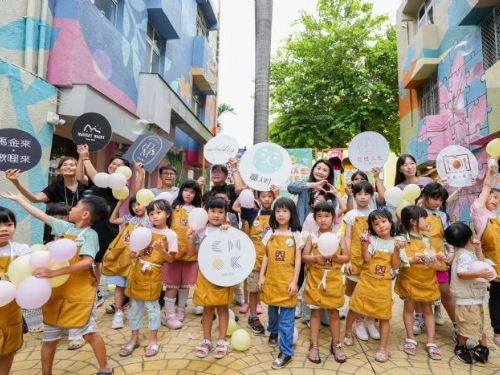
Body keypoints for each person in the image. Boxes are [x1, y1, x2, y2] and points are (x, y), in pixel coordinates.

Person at [1, 192, 113, 375]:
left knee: (89, 332)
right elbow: (41, 215)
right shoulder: (65, 228)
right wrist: (20, 200)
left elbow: (86, 262)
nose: (72, 208)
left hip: (79, 294)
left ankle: (105, 368)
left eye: (76, 206)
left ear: (85, 214)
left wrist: (54, 272)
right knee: (50, 338)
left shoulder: (90, 235)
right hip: (56, 292)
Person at [77, 144, 137, 307]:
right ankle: (95, 293)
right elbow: (82, 178)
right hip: (89, 224)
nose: (114, 166)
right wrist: (81, 159)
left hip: (104, 228)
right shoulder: (99, 182)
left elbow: (95, 175)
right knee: (89, 261)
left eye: (119, 166)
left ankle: (102, 294)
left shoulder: (118, 184)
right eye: (113, 163)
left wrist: (86, 157)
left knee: (98, 262)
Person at [345, 210, 406, 362]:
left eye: (383, 221)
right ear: (372, 228)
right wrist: (364, 245)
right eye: (376, 224)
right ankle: (347, 332)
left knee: (384, 316)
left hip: (383, 286)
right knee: (355, 308)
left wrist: (397, 250)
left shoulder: (397, 242)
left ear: (391, 222)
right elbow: (367, 259)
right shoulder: (372, 240)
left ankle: (383, 348)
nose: (381, 226)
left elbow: (396, 265)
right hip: (366, 282)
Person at [119, 199, 177, 358]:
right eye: (151, 213)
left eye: (158, 212)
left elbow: (171, 259)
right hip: (138, 272)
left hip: (153, 274)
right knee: (135, 307)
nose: (154, 216)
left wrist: (161, 250)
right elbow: (137, 249)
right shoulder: (144, 230)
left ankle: (153, 340)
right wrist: (133, 254)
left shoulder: (170, 235)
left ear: (168, 214)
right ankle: (134, 339)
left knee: (153, 309)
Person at [395, 205, 446, 360]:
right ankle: (410, 338)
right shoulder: (401, 239)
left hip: (427, 279)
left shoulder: (426, 239)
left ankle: (431, 342)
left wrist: (438, 257)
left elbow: (431, 257)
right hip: (410, 279)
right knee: (409, 308)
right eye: (424, 218)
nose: (427, 220)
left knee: (428, 310)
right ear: (413, 221)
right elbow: (399, 260)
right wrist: (412, 258)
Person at [259, 197, 303, 369]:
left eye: (285, 211)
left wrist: (294, 281)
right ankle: (273, 331)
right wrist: (262, 275)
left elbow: (299, 261)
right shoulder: (271, 233)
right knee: (271, 310)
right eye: (278, 211)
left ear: (292, 213)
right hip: (271, 281)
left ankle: (285, 351)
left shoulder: (296, 235)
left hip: (287, 283)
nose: (281, 214)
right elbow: (266, 256)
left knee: (286, 319)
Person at [302, 201, 349, 364]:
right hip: (316, 279)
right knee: (315, 313)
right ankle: (313, 345)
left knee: (334, 313)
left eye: (327, 216)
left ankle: (336, 344)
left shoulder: (338, 236)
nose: (323, 220)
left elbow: (346, 257)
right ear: (315, 218)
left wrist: (336, 257)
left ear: (333, 218)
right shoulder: (312, 236)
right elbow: (305, 256)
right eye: (319, 216)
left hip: (334, 279)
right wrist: (314, 258)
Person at [187, 197, 232, 359]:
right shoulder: (201, 231)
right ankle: (206, 339)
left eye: (220, 212)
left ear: (226, 214)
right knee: (207, 308)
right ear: (207, 213)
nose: (216, 215)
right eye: (213, 211)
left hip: (223, 276)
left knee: (222, 307)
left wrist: (229, 232)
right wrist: (190, 237)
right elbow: (192, 253)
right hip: (205, 275)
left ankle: (222, 340)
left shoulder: (229, 230)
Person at [445, 223, 492, 364]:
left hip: (474, 297)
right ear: (470, 238)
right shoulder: (463, 255)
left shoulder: (467, 252)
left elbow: (480, 261)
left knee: (478, 322)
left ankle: (481, 345)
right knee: (466, 325)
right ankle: (461, 346)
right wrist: (477, 273)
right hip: (466, 299)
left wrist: (478, 249)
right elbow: (461, 273)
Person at [104, 195, 149, 330]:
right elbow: (112, 220)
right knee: (119, 286)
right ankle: (118, 312)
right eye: (134, 205)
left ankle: (131, 310)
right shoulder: (128, 219)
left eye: (139, 204)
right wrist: (119, 203)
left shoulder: (150, 221)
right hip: (122, 258)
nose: (136, 207)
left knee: (132, 286)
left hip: (138, 260)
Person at [161, 180, 202, 329]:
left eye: (192, 192)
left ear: (196, 195)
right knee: (172, 285)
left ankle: (181, 310)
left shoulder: (198, 210)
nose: (188, 194)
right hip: (173, 252)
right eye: (186, 190)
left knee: (185, 285)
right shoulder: (172, 208)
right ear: (181, 191)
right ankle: (169, 314)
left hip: (191, 253)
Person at [418, 183, 456, 336]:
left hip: (439, 259)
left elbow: (447, 236)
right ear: (425, 197)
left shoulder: (443, 216)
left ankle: (457, 324)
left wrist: (451, 251)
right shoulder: (416, 212)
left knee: (445, 292)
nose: (438, 203)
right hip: (420, 258)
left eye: (441, 200)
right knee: (418, 291)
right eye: (435, 199)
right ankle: (419, 317)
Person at [239, 188, 279, 333]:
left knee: (274, 290)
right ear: (258, 198)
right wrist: (247, 190)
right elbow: (238, 206)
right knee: (254, 290)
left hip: (274, 261)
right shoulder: (252, 213)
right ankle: (253, 316)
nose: (267, 199)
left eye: (270, 196)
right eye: (264, 196)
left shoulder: (278, 214)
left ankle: (274, 320)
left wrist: (278, 197)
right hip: (255, 259)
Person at [343, 181, 379, 340]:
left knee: (371, 291)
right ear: (354, 196)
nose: (363, 197)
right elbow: (347, 238)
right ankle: (358, 322)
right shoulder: (351, 215)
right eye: (359, 194)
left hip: (372, 259)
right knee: (356, 292)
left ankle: (370, 321)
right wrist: (347, 260)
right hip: (355, 258)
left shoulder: (375, 213)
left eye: (366, 194)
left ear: (371, 195)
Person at [471, 162, 499, 345]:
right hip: (492, 264)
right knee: (497, 297)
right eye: (493, 197)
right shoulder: (480, 214)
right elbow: (487, 186)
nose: (496, 200)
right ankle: (497, 332)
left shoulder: (496, 216)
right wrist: (491, 172)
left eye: (499, 199)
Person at [0, 207, 30, 375]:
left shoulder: (22, 250)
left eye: (9, 224)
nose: (4, 229)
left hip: (11, 311)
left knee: (8, 347)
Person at [287, 159, 337, 225]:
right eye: (318, 168)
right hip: (301, 227)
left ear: (329, 174)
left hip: (321, 228)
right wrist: (313, 185)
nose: (320, 172)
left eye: (325, 170)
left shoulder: (330, 190)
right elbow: (290, 188)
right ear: (313, 169)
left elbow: (333, 211)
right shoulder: (305, 183)